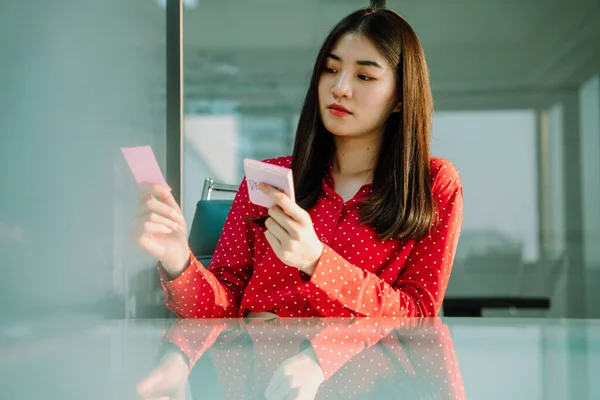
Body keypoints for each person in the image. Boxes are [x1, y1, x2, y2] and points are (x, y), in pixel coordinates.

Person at [131, 6, 463, 319]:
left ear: (401, 98)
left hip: (362, 375)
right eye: (331, 70)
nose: (339, 88)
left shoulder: (433, 183)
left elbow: (419, 316)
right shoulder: (268, 181)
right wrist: (177, 258)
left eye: (364, 76)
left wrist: (317, 261)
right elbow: (222, 310)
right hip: (256, 371)